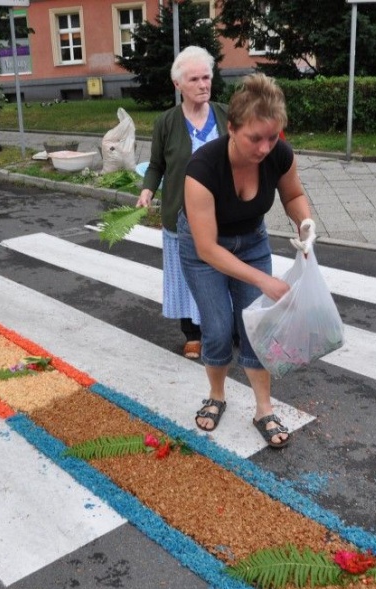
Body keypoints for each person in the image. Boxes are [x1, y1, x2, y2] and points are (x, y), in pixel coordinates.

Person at [177, 73, 315, 449]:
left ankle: (263, 408)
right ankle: (217, 395)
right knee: (219, 328)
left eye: (273, 137)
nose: (265, 147)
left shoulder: (278, 155)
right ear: (233, 129)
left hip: (251, 239)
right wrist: (262, 280)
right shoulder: (202, 169)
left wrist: (305, 224)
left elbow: (293, 194)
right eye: (256, 138)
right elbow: (207, 249)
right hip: (205, 248)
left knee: (256, 327)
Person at [136, 46, 229, 360]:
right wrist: (148, 191)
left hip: (223, 214)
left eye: (207, 77)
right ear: (178, 85)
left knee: (223, 272)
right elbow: (156, 166)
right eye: (195, 79)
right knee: (185, 277)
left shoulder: (226, 115)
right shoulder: (166, 122)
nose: (203, 84)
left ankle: (224, 328)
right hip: (181, 216)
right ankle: (192, 333)